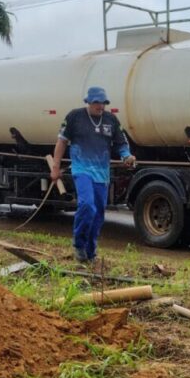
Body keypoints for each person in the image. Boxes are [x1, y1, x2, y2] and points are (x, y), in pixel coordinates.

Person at [51, 87, 136, 262]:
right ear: (88, 102)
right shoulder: (75, 116)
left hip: (102, 174)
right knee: (87, 205)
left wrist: (126, 156)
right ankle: (79, 244)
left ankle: (90, 251)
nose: (100, 106)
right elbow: (62, 142)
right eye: (96, 102)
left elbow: (121, 143)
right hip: (81, 169)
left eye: (103, 103)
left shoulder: (111, 119)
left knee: (98, 214)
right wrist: (55, 167)